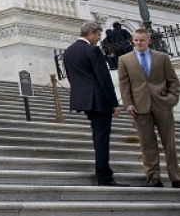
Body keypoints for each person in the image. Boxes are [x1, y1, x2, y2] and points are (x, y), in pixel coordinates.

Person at [63, 21, 125, 186]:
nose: (99, 38)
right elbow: (103, 78)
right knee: (102, 138)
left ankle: (105, 170)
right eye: (98, 34)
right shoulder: (92, 50)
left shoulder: (69, 51)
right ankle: (104, 175)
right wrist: (114, 103)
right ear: (90, 33)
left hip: (83, 99)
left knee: (99, 136)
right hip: (98, 100)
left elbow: (71, 76)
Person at [117, 28, 180, 188]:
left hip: (162, 105)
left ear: (148, 41)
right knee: (147, 144)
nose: (138, 43)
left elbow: (173, 81)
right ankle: (153, 177)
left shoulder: (162, 58)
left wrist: (172, 99)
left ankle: (176, 177)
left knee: (169, 143)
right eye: (136, 40)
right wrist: (128, 104)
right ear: (132, 40)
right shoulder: (125, 60)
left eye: (141, 40)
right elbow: (124, 84)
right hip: (140, 107)